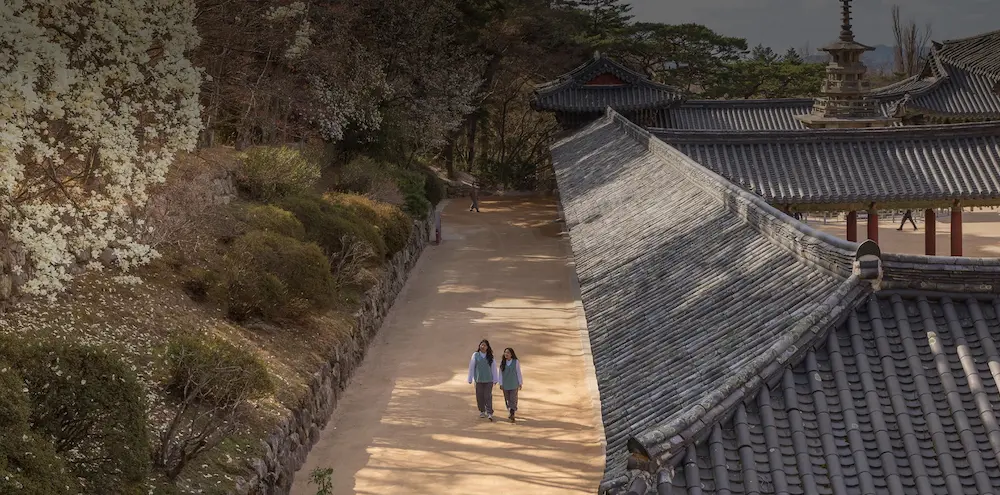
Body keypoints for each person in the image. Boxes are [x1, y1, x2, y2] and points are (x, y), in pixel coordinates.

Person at [467, 339, 499, 421]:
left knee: (487, 396)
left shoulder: (490, 357)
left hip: (488, 380)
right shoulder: (475, 355)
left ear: (487, 347)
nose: (483, 346)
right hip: (479, 380)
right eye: (481, 345)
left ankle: (489, 412)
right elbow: (471, 367)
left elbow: (494, 368)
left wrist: (495, 379)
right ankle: (482, 411)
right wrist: (470, 378)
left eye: (484, 345)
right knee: (480, 396)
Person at [499, 348, 523, 423]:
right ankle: (510, 410)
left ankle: (512, 412)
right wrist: (501, 383)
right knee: (507, 399)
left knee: (513, 398)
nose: (506, 354)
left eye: (508, 353)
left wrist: (520, 382)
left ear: (511, 354)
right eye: (505, 352)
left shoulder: (516, 362)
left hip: (514, 384)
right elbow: (500, 374)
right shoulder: (503, 362)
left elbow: (518, 372)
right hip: (505, 384)